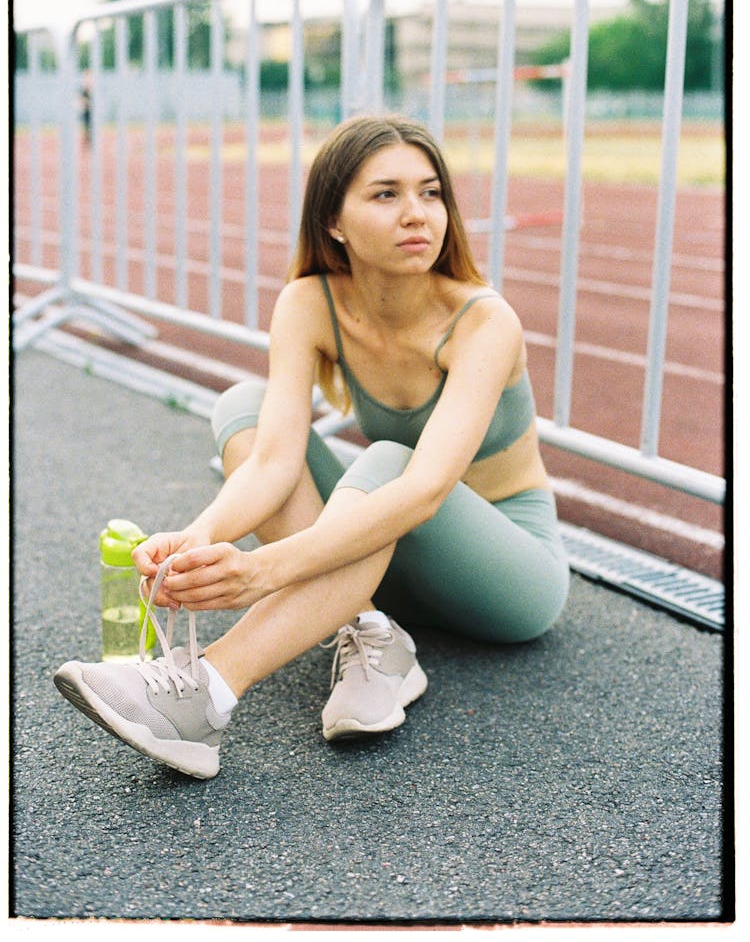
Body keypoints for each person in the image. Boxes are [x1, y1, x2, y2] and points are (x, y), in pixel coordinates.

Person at [54, 114, 570, 780]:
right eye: (386, 194)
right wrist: (200, 534)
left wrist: (264, 571)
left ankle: (206, 694)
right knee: (243, 405)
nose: (417, 213)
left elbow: (426, 491)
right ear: (333, 220)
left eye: (431, 192)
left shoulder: (483, 320)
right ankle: (369, 631)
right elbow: (273, 461)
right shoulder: (310, 302)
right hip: (385, 556)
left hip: (508, 572)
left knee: (387, 464)